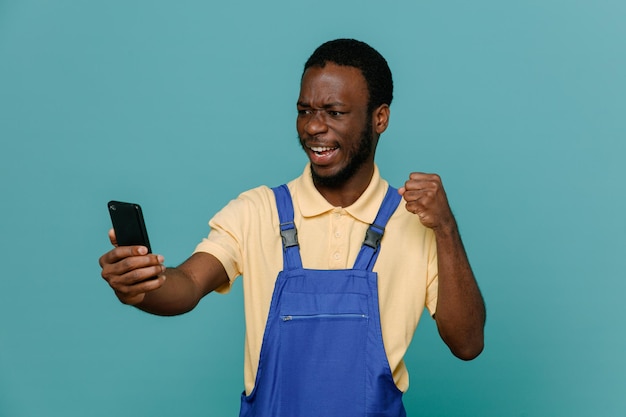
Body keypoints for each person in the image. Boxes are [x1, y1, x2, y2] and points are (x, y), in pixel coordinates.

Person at [99, 38, 485, 417]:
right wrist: (141, 284)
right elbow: (185, 285)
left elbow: (467, 343)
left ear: (379, 118)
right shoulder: (257, 211)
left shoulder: (417, 221)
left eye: (334, 112)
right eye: (305, 111)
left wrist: (446, 229)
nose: (314, 127)